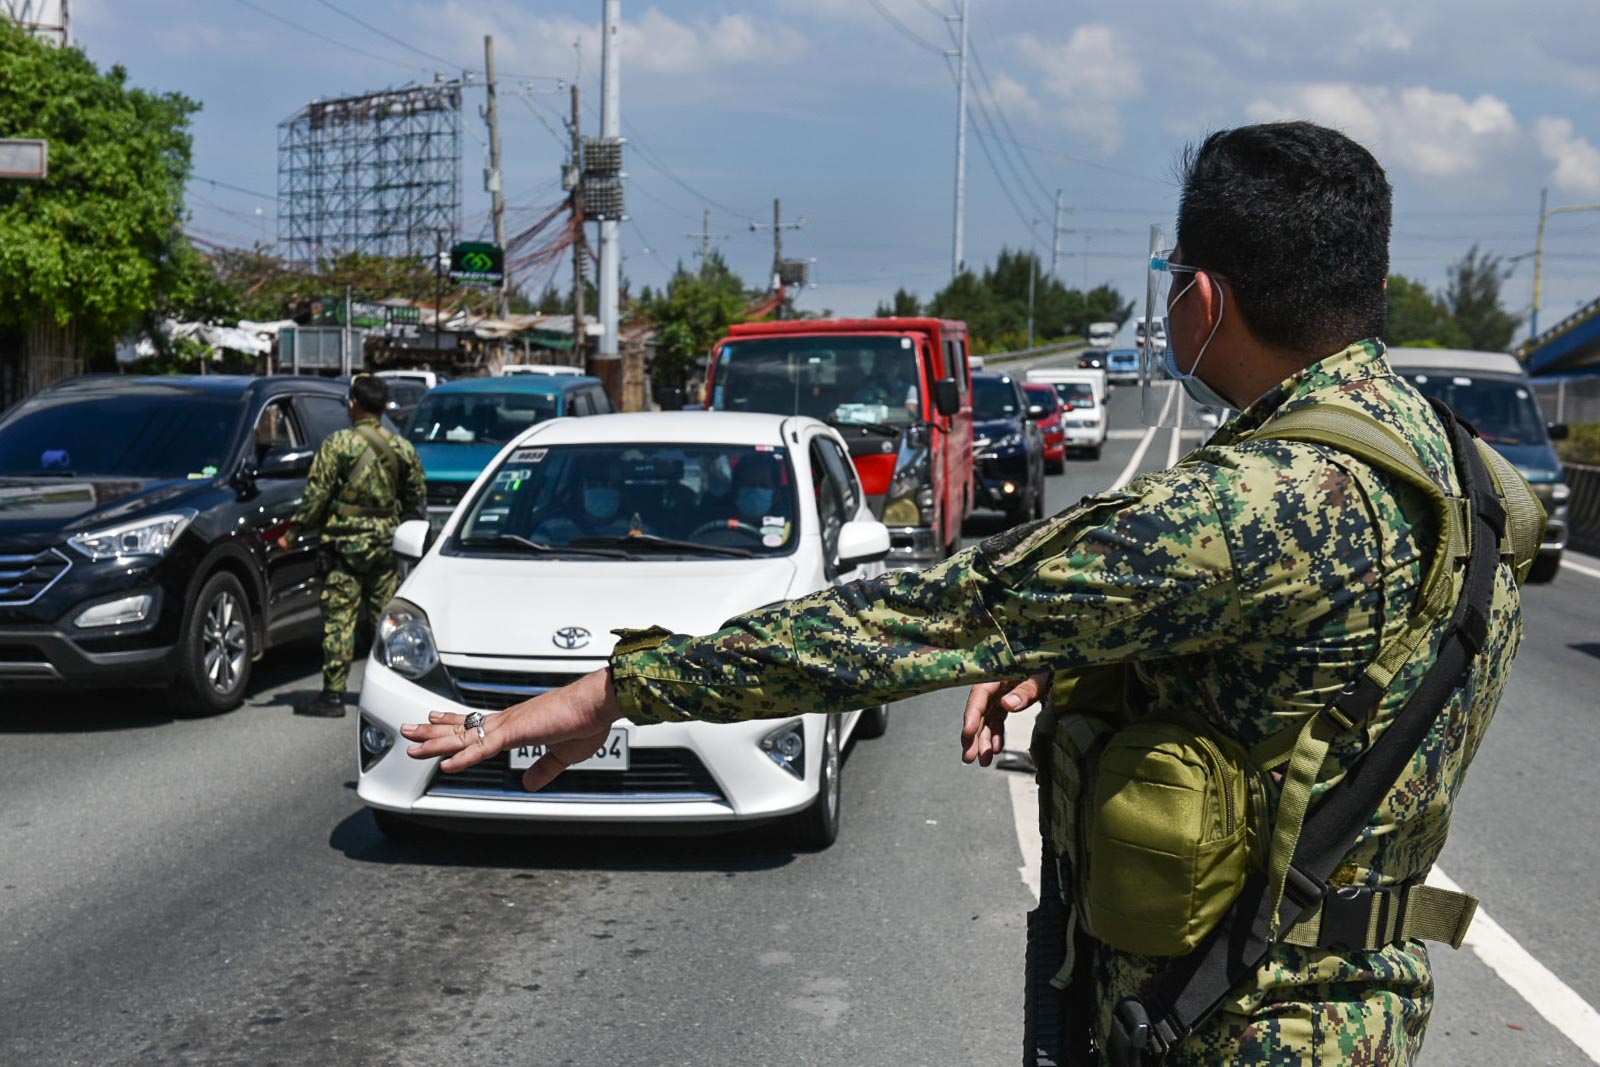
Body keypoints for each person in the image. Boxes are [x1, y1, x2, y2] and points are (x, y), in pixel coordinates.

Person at [403, 123, 1532, 1064]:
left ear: (1200, 295)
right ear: (1366, 285)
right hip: (1362, 1006)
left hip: (1230, 1022)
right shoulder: (1462, 468)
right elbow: (1318, 679)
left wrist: (625, 686)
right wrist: (1074, 652)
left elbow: (933, 613)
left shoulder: (1256, 501)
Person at [279, 374, 425, 718]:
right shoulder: (402, 447)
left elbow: (317, 495)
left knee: (339, 619)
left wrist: (294, 533)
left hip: (344, 545)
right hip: (386, 544)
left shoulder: (337, 444)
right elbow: (416, 496)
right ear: (383, 407)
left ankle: (332, 696)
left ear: (353, 405)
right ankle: (396, 691)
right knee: (386, 620)